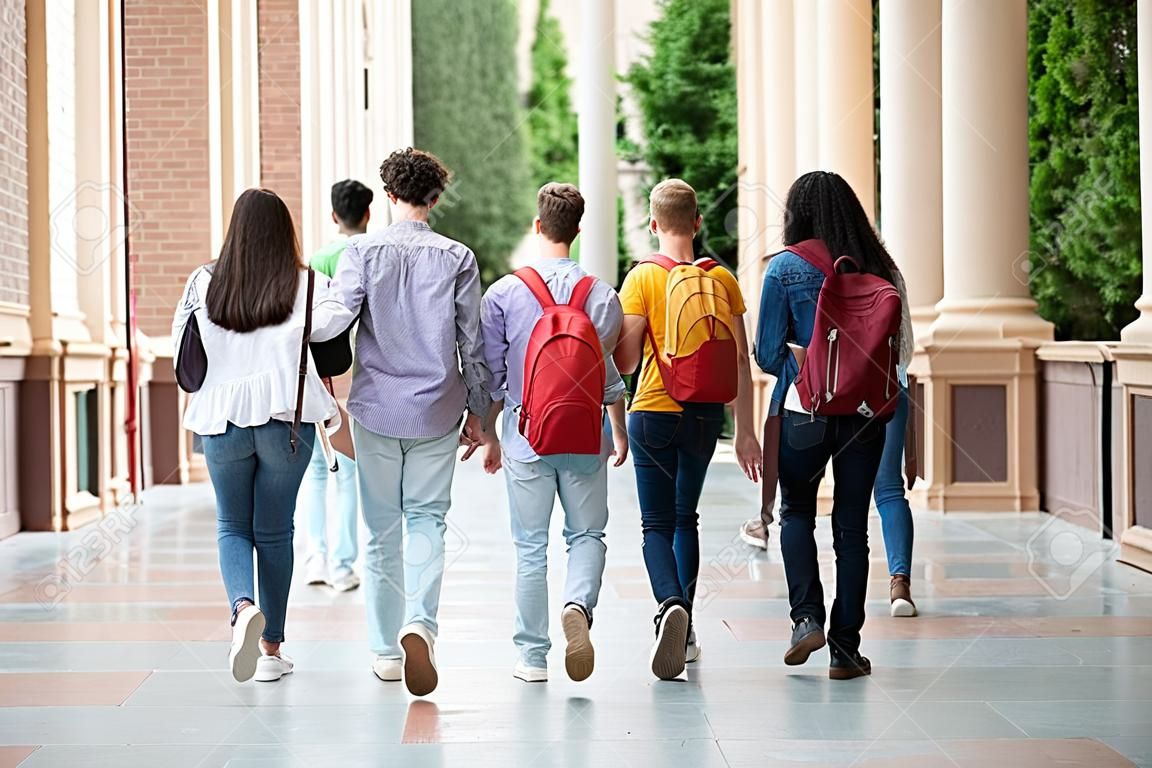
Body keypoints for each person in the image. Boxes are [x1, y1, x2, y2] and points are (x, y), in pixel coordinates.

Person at [327, 148, 492, 697]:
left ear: (389, 196)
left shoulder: (361, 252)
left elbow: (334, 322)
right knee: (427, 521)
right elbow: (472, 342)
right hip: (437, 410)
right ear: (435, 198)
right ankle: (420, 622)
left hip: (375, 408)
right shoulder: (458, 258)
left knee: (380, 532)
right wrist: (480, 412)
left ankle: (383, 651)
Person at [172, 188, 352, 683]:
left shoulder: (202, 282)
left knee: (232, 525)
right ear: (284, 232)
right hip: (285, 424)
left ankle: (242, 609)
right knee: (275, 532)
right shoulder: (308, 285)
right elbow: (339, 320)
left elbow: (180, 347)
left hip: (222, 423)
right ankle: (271, 649)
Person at [753, 170, 913, 681]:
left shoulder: (783, 269)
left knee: (797, 512)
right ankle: (846, 649)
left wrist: (805, 369)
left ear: (795, 213)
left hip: (804, 412)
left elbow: (765, 352)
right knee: (851, 527)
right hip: (865, 417)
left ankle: (806, 620)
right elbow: (899, 350)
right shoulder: (878, 265)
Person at [479, 183, 629, 684]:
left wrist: (489, 433)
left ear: (537, 226)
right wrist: (619, 430)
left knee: (529, 545)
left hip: (526, 431)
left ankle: (532, 657)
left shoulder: (504, 292)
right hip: (585, 431)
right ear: (579, 230)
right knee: (587, 533)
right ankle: (578, 607)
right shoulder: (601, 294)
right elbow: (604, 371)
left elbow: (495, 375)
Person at [613, 178, 762, 681]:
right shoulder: (723, 279)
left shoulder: (640, 280)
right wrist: (746, 432)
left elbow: (628, 361)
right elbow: (741, 358)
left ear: (653, 224)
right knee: (685, 518)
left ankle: (669, 606)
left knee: (655, 523)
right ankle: (689, 631)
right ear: (697, 223)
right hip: (704, 413)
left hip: (653, 410)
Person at [299, 179, 374, 593]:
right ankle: (344, 566)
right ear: (368, 214)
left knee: (315, 471)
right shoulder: (374, 255)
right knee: (348, 473)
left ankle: (316, 557)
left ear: (333, 215)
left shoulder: (318, 260)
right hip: (360, 381)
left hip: (320, 382)